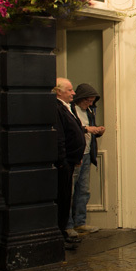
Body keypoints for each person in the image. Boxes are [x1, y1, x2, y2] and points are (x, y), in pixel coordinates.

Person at [52, 77, 85, 249]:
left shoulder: (68, 107)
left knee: (66, 197)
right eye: (70, 90)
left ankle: (63, 232)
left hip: (71, 160)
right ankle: (59, 234)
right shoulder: (57, 108)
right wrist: (63, 160)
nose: (73, 93)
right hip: (64, 163)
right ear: (59, 91)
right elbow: (60, 137)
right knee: (62, 197)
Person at [69, 83, 104, 234]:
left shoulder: (90, 111)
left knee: (83, 190)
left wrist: (98, 131)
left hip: (87, 153)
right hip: (75, 155)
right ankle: (68, 224)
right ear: (80, 98)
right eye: (87, 100)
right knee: (70, 190)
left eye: (92, 101)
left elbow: (89, 129)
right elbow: (73, 129)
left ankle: (80, 222)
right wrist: (86, 129)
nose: (89, 104)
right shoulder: (70, 110)